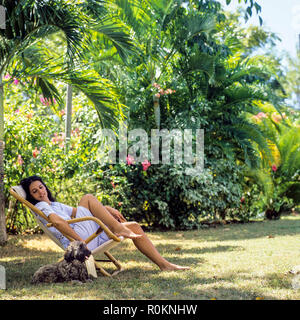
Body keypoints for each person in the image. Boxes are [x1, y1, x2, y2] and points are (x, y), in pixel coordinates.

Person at [20, 175, 189, 271]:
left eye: (41, 187)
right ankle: (118, 228)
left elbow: (78, 210)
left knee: (135, 226)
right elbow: (57, 222)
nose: (40, 192)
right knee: (87, 198)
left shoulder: (54, 205)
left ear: (45, 187)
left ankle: (164, 264)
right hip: (82, 239)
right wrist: (81, 243)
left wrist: (107, 209)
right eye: (34, 191)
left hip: (89, 233)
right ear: (31, 197)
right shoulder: (41, 206)